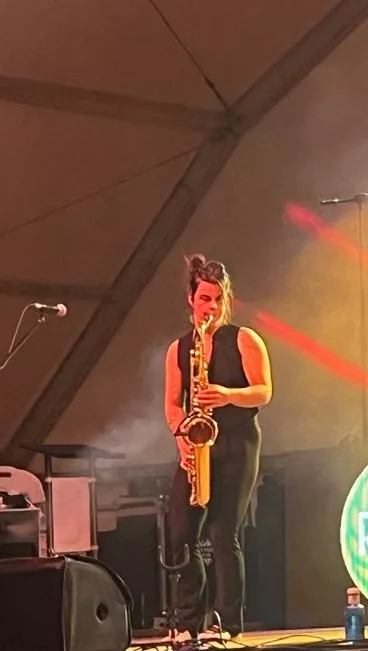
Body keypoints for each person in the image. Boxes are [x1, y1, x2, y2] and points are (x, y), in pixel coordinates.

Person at [164, 255, 274, 639]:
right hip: (197, 445)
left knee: (223, 534)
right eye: (204, 299)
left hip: (237, 441)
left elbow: (264, 391)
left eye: (217, 299)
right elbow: (172, 404)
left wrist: (226, 394)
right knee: (181, 535)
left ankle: (227, 624)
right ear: (191, 299)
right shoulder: (179, 349)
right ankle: (188, 623)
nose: (211, 308)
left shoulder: (244, 339)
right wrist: (181, 437)